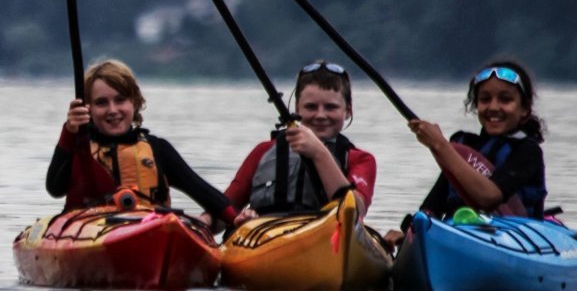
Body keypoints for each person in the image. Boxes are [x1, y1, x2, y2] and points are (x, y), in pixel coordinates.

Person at [46, 59, 237, 226]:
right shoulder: (81, 148)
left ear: (134, 103)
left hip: (150, 229)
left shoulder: (157, 149)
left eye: (120, 100)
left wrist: (236, 220)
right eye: (101, 103)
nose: (112, 110)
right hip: (91, 232)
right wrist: (69, 132)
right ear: (88, 109)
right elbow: (55, 188)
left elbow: (201, 190)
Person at [383, 59, 548, 248]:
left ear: (525, 109)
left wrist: (439, 145)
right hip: (459, 234)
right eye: (485, 99)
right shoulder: (462, 144)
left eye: (505, 99)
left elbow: (488, 197)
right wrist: (410, 235)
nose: (493, 107)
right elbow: (432, 207)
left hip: (515, 241)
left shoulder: (528, 151)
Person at [222, 61, 377, 225]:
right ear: (297, 109)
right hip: (262, 236)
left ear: (348, 111)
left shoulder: (361, 159)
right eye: (311, 107)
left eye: (331, 107)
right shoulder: (264, 151)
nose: (320, 115)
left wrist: (319, 153)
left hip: (325, 235)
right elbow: (225, 207)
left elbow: (355, 211)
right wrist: (235, 219)